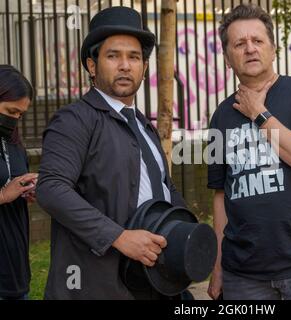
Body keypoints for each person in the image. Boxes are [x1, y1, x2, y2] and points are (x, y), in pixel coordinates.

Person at [36, 7, 185, 299]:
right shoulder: (74, 119)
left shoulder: (145, 126)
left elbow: (166, 189)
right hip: (96, 285)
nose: (125, 65)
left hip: (151, 280)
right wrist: (119, 237)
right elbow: (51, 188)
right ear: (92, 66)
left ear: (144, 67)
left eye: (134, 57)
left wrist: (185, 238)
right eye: (113, 56)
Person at [207, 4, 291, 300]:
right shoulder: (220, 117)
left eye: (258, 41)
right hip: (243, 275)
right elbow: (221, 195)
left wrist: (259, 112)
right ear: (228, 58)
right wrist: (217, 267)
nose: (250, 49)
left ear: (273, 48)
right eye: (239, 44)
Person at [0, 65, 38, 300]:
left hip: (14, 267)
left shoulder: (12, 140)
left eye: (20, 115)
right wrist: (3, 195)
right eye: (10, 111)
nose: (15, 120)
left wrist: (25, 191)